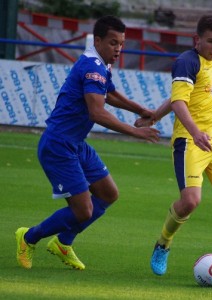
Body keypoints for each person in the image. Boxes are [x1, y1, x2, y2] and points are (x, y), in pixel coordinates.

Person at [15, 15, 160, 270]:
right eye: (113, 43)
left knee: (108, 194)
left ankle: (63, 242)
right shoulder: (92, 67)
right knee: (83, 210)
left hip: (76, 143)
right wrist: (134, 132)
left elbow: (110, 93)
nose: (118, 49)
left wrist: (140, 109)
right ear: (98, 40)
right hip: (58, 144)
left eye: (122, 44)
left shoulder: (101, 64)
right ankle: (28, 237)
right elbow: (97, 112)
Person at [135, 15, 212, 283]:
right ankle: (162, 245)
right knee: (190, 201)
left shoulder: (211, 62)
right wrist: (195, 132)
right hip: (189, 141)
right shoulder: (186, 61)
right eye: (211, 41)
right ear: (197, 40)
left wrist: (154, 115)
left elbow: (181, 96)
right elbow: (180, 103)